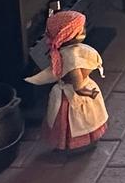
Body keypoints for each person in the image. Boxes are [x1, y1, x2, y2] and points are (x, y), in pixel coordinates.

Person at [25, 9, 108, 153]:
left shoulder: (62, 52)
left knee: (66, 120)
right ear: (70, 35)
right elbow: (78, 85)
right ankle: (78, 144)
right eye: (81, 29)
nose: (84, 30)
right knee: (78, 120)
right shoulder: (72, 57)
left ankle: (69, 143)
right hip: (73, 96)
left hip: (63, 90)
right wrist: (90, 93)